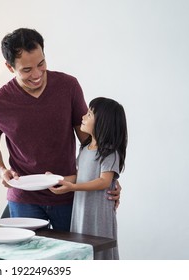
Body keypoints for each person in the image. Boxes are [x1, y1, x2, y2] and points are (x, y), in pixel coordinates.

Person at [0, 27, 121, 231]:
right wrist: (1, 170)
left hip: (69, 193)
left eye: (41, 64)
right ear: (10, 67)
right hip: (24, 199)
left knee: (75, 259)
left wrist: (108, 179)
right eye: (27, 70)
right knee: (28, 261)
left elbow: (91, 142)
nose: (37, 74)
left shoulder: (68, 86)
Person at [49, 97, 127, 259]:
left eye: (89, 114)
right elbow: (80, 176)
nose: (83, 117)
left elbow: (103, 181)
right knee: (81, 248)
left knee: (99, 250)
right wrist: (57, 179)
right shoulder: (85, 149)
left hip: (99, 213)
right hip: (81, 210)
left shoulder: (110, 153)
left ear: (103, 123)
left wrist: (72, 188)